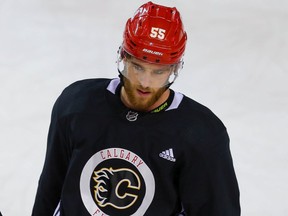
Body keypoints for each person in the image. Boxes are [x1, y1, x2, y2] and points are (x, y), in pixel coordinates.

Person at [32, 1, 240, 215]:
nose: (145, 82)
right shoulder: (76, 105)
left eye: (158, 72)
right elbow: (50, 187)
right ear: (123, 56)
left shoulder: (201, 134)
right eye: (138, 67)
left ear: (174, 69)